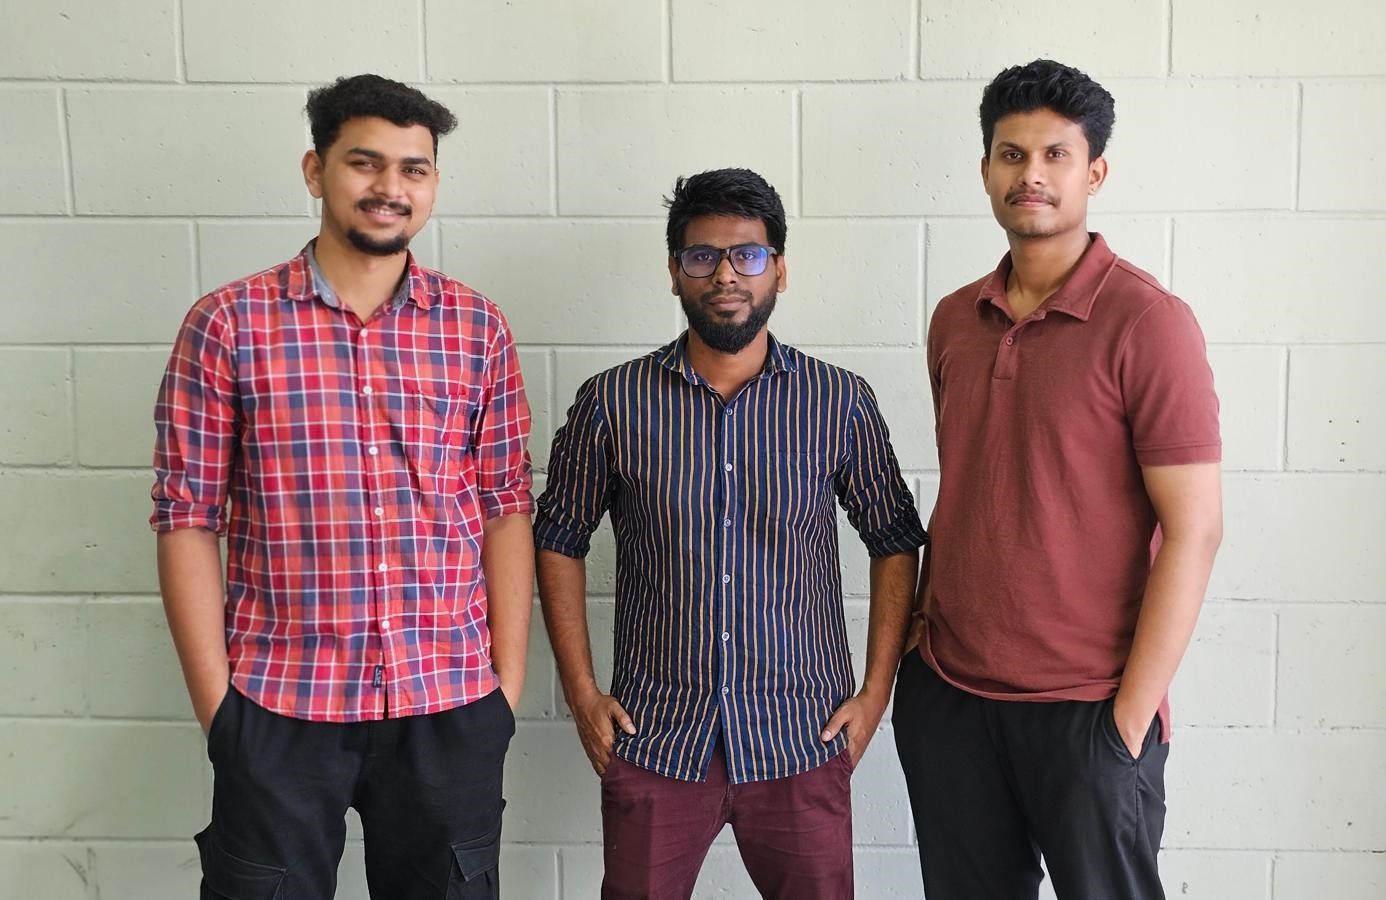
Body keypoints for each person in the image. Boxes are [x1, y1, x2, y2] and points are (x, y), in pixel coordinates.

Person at [151, 73, 534, 900]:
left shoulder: (476, 328)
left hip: (449, 701)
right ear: (315, 169)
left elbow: (506, 506)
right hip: (278, 707)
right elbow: (186, 519)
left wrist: (507, 686)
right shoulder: (228, 325)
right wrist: (220, 709)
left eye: (414, 169)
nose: (391, 188)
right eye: (366, 163)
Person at [535, 168, 927, 899]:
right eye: (701, 255)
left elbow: (895, 538)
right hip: (656, 739)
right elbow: (557, 536)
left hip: (800, 737)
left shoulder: (837, 401)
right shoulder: (611, 403)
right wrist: (584, 693)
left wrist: (875, 694)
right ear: (675, 272)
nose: (725, 274)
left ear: (779, 266)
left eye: (746, 254)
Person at [893, 59, 1224, 900]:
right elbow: (973, 488)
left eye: (1054, 155)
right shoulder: (953, 319)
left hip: (1089, 711)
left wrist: (1127, 721)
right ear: (985, 171)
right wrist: (919, 652)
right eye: (1010, 155)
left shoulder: (1149, 323)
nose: (1030, 174)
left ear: (1095, 172)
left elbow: (1195, 530)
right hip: (953, 700)